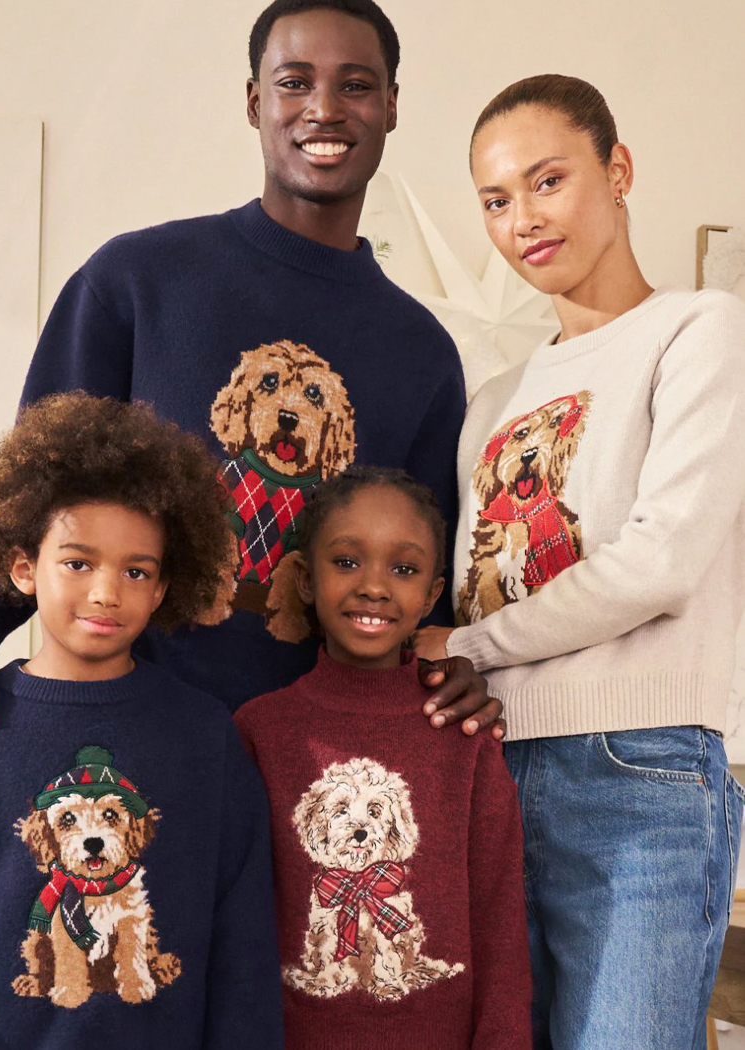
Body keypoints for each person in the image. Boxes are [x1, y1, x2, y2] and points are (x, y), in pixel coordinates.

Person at [0, 0, 504, 810]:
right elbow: (35, 491)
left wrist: (459, 659)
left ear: (392, 104)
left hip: (313, 774)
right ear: (256, 101)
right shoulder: (136, 282)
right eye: (295, 82)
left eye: (355, 85)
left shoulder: (422, 353)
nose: (324, 108)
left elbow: (426, 577)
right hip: (120, 735)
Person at [414, 73, 745, 1050]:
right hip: (490, 773)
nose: (523, 219)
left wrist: (471, 644)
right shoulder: (494, 400)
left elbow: (661, 562)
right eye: (495, 200)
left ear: (619, 171)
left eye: (548, 181)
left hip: (638, 772)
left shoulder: (699, 332)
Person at [0, 393, 283, 1049]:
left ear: (163, 588)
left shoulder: (206, 736)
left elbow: (242, 949)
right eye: (78, 562)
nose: (106, 592)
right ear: (24, 567)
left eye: (136, 571)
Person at [236, 467, 532, 1050]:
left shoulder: (464, 732)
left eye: (403, 569)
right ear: (305, 579)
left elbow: (500, 912)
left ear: (431, 592)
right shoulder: (259, 730)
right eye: (347, 562)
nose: (374, 586)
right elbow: (238, 923)